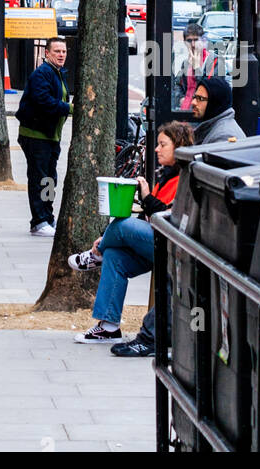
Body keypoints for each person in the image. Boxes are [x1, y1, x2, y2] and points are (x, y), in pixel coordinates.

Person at [112, 85, 246, 358]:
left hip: (212, 233)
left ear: (215, 102)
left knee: (175, 272)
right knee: (173, 274)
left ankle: (153, 338)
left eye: (200, 98)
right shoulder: (211, 130)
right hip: (204, 228)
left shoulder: (225, 135)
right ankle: (159, 337)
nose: (193, 103)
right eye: (194, 96)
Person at [70, 121, 195, 345]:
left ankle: (95, 254)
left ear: (179, 147)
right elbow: (147, 219)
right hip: (155, 243)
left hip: (171, 247)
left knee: (122, 224)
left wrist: (146, 197)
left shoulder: (186, 179)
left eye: (162, 145)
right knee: (115, 256)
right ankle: (108, 327)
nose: (157, 149)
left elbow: (169, 218)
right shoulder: (166, 174)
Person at [16, 35, 72, 237]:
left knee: (49, 179)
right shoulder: (42, 74)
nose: (61, 55)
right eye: (57, 51)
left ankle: (47, 217)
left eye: (64, 51)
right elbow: (44, 101)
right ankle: (39, 220)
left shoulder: (57, 73)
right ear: (46, 53)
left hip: (51, 137)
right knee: (40, 178)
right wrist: (69, 108)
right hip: (36, 135)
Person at [175, 22, 218, 110]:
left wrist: (197, 68)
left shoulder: (214, 61)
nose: (193, 45)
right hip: (186, 110)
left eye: (196, 40)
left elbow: (211, 89)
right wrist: (180, 98)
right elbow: (177, 84)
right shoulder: (186, 62)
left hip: (203, 113)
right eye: (189, 41)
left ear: (203, 41)